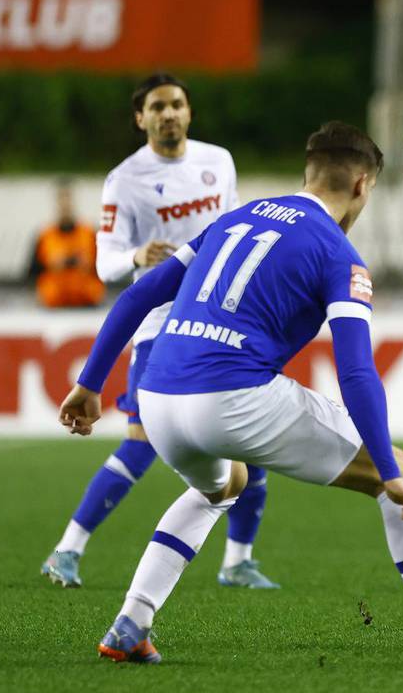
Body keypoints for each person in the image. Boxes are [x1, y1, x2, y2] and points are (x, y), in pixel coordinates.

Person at [57, 122, 403, 672]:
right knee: (399, 467)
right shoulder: (338, 254)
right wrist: (384, 465)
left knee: (223, 484)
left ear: (308, 173)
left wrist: (90, 385)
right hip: (230, 395)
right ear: (362, 186)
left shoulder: (232, 219)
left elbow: (139, 295)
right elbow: (355, 371)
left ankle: (131, 624)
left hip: (157, 394)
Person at [41, 73, 279, 590]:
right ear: (140, 118)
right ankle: (67, 550)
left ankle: (238, 561)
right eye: (157, 106)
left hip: (221, 320)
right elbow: (104, 265)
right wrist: (135, 256)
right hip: (160, 324)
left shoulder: (218, 162)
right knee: (141, 442)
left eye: (176, 104)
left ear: (189, 113)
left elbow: (232, 231)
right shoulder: (124, 180)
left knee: (254, 437)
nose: (168, 113)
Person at [28, 179, 105, 308]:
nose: (65, 205)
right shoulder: (45, 236)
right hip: (53, 302)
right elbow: (30, 274)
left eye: (68, 199)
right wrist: (53, 265)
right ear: (56, 203)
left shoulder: (89, 234)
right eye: (61, 200)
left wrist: (86, 264)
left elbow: (106, 268)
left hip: (87, 300)